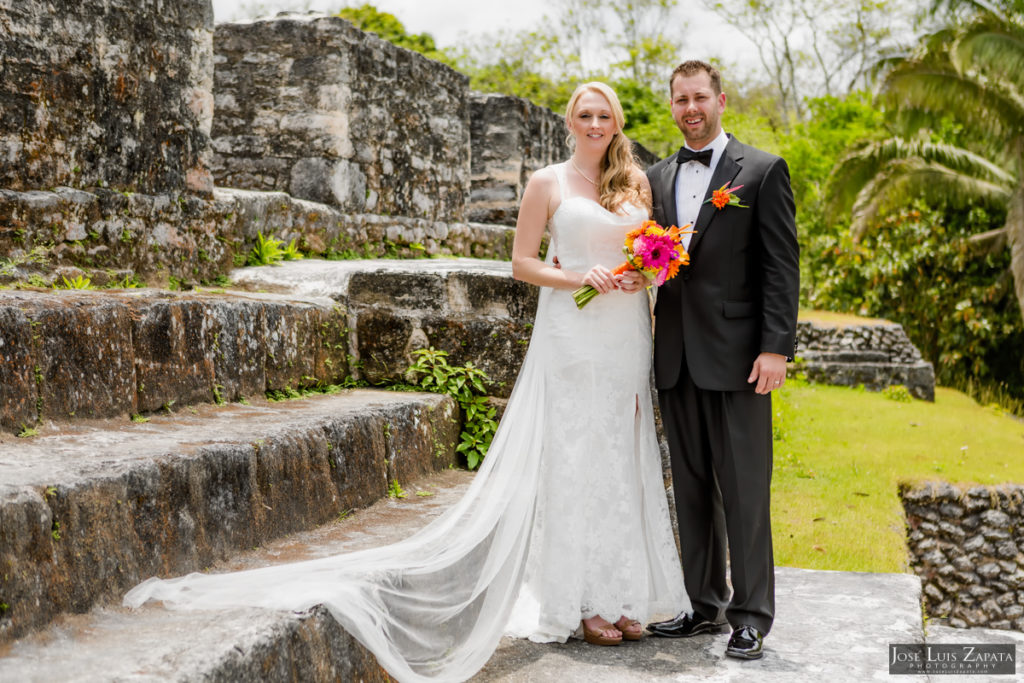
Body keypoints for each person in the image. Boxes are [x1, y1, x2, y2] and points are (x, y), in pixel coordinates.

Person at [124, 81, 688, 682]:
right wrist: (576, 276)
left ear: (617, 122)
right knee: (574, 458)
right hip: (572, 340)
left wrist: (642, 279)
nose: (596, 123)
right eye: (585, 114)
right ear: (570, 123)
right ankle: (578, 604)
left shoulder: (636, 182)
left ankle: (623, 596)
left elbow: (649, 257)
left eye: (605, 115)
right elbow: (522, 264)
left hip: (625, 334)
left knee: (620, 457)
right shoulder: (546, 182)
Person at [640, 60, 799, 661]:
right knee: (692, 488)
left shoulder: (761, 171)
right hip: (676, 358)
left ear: (721, 100)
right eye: (680, 99)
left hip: (740, 361)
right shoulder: (655, 177)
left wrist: (775, 346)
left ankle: (751, 615)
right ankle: (703, 605)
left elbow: (780, 267)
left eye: (699, 97)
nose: (690, 108)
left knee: (745, 491)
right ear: (672, 105)